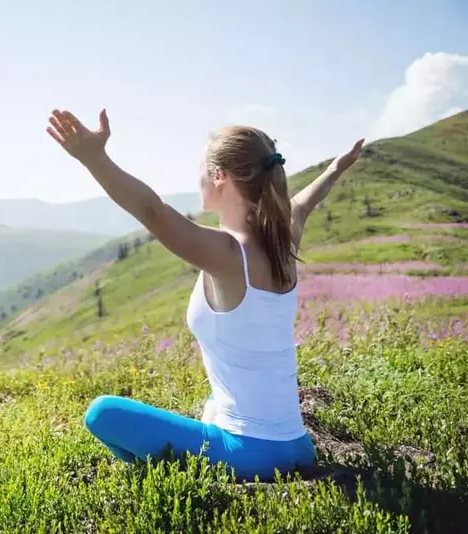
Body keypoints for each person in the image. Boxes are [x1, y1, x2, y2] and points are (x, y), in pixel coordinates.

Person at [46, 108, 364, 481]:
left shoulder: (230, 253)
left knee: (103, 414)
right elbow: (304, 203)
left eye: (202, 169)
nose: (197, 178)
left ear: (220, 177)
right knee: (213, 405)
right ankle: (197, 463)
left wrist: (94, 158)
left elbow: (154, 212)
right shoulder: (283, 239)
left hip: (251, 453)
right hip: (297, 445)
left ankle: (176, 477)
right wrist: (335, 169)